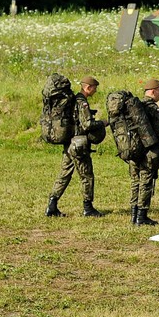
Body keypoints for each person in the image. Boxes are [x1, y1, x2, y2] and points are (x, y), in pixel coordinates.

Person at [46, 76, 107, 217]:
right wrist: (103, 123)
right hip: (79, 144)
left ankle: (52, 204)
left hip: (69, 143)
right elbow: (87, 125)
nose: (95, 91)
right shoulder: (81, 102)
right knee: (87, 176)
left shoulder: (72, 100)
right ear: (88, 88)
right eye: (94, 88)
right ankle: (88, 208)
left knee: (64, 174)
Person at [129, 79, 159, 226]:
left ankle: (133, 214)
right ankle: (141, 217)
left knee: (135, 182)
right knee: (145, 182)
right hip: (148, 152)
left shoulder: (135, 107)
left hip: (133, 150)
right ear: (153, 91)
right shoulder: (152, 108)